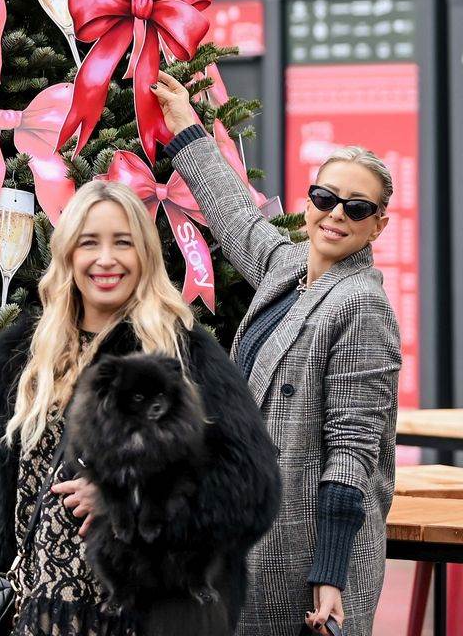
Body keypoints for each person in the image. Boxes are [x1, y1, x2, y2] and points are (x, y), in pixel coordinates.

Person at [0, 180, 280, 635]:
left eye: (123, 242)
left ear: (145, 254)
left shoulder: (183, 355)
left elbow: (251, 487)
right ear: (68, 254)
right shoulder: (20, 360)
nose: (106, 259)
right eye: (89, 243)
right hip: (30, 617)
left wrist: (127, 501)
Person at [152, 71, 401, 636]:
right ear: (309, 202)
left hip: (305, 561)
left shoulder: (362, 305)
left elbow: (354, 450)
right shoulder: (287, 269)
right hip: (246, 536)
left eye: (356, 208)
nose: (336, 214)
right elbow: (236, 216)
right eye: (325, 198)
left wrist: (330, 574)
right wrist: (186, 126)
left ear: (378, 225)